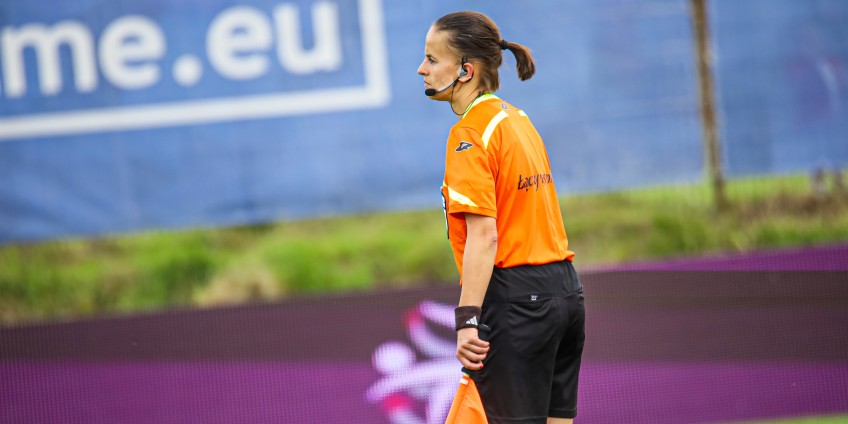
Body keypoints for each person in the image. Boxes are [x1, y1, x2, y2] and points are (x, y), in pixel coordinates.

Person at [417, 11, 586, 424]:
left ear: (466, 71)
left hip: (516, 304)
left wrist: (467, 319)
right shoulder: (518, 119)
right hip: (566, 294)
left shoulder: (469, 133)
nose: (422, 69)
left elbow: (485, 236)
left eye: (433, 59)